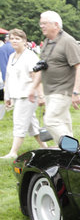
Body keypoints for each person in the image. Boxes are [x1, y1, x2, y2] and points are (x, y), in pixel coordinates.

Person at [26, 11, 80, 145]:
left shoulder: (67, 41)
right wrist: (33, 88)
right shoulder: (48, 42)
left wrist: (76, 92)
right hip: (49, 91)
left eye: (44, 23)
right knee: (63, 122)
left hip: (62, 90)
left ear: (56, 25)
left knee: (51, 120)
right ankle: (67, 153)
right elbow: (43, 67)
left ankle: (72, 148)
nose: (41, 26)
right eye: (40, 23)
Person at [2, 29, 48, 158]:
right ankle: (44, 147)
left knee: (19, 122)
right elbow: (8, 77)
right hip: (16, 95)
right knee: (32, 125)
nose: (14, 41)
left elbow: (36, 76)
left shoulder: (30, 56)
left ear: (24, 41)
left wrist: (41, 96)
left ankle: (13, 152)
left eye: (18, 39)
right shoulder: (12, 56)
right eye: (12, 38)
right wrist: (7, 96)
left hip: (28, 96)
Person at [0, 34, 15, 102]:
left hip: (8, 74)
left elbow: (3, 65)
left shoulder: (2, 48)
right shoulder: (17, 47)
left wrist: (4, 78)